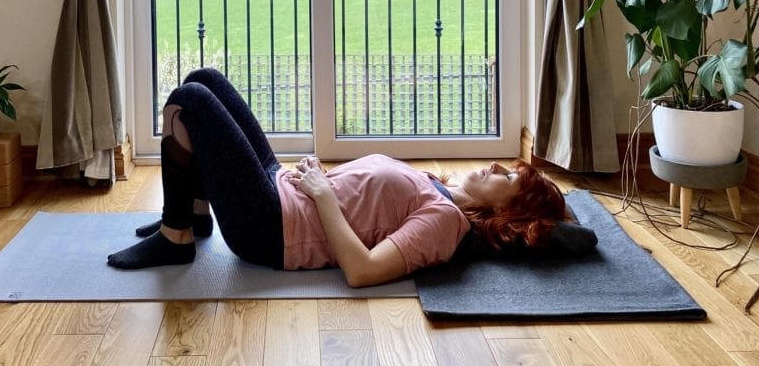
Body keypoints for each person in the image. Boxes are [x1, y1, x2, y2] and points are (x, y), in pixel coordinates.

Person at [108, 68, 567, 287]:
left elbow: (363, 271)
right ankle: (194, 215)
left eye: (510, 178)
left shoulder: (446, 222)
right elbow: (364, 201)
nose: (498, 166)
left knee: (188, 101)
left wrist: (323, 192)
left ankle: (176, 237)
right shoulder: (436, 185)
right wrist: (320, 179)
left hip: (272, 228)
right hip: (284, 188)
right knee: (204, 77)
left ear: (508, 209)